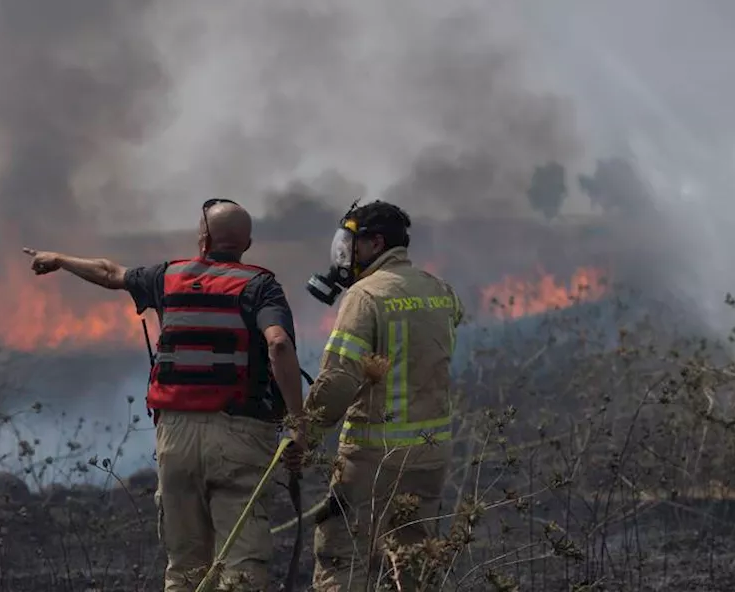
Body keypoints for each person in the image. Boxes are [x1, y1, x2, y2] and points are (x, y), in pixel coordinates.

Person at [23, 198, 308, 592]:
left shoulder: (167, 277)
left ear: (203, 239)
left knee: (185, 568)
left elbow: (110, 272)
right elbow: (278, 345)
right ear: (247, 243)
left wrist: (59, 258)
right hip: (239, 434)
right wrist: (298, 422)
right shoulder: (260, 287)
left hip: (175, 438)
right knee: (241, 567)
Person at [297, 200, 464, 591]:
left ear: (374, 244)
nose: (345, 254)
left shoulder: (365, 296)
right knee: (415, 563)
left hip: (374, 457)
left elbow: (339, 379)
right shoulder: (440, 290)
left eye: (351, 244)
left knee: (343, 557)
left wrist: (304, 434)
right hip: (430, 455)